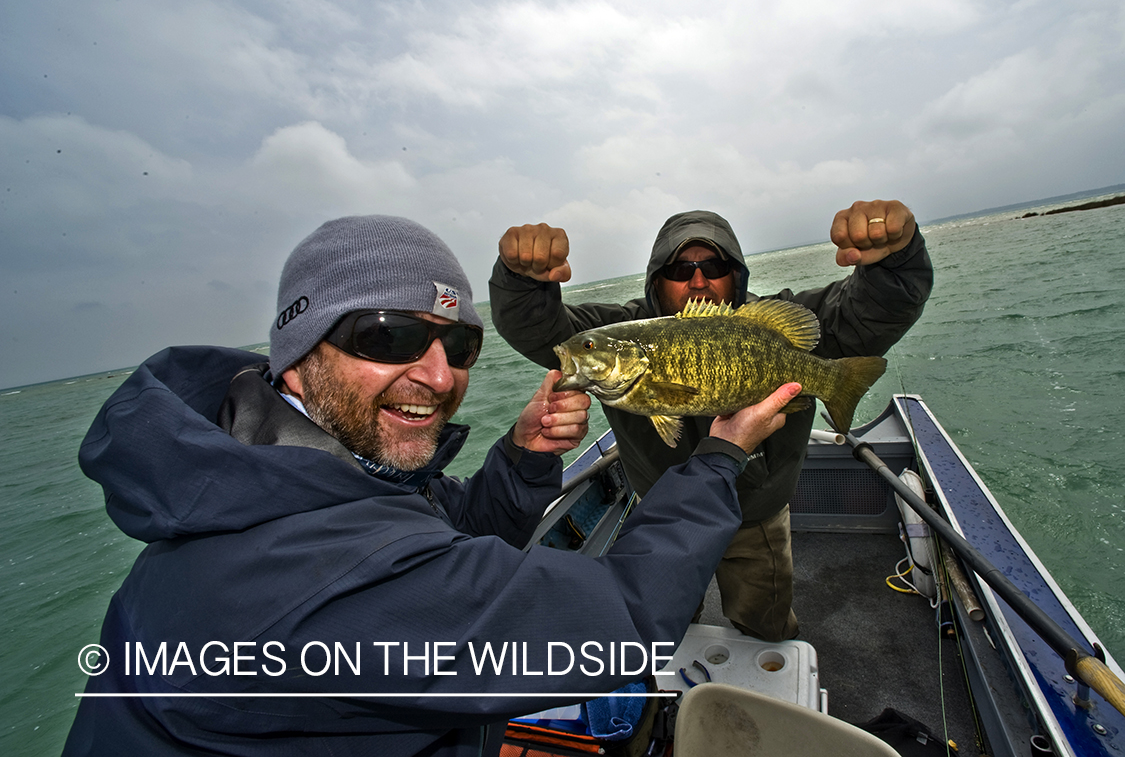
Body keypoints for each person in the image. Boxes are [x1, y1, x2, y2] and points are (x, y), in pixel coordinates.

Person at [64, 214, 801, 757]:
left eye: (458, 343)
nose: (440, 375)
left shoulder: (276, 482)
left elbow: (446, 530)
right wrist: (718, 454)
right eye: (387, 337)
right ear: (295, 352)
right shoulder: (312, 579)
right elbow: (620, 624)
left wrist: (520, 454)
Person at [489, 200, 933, 642]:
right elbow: (543, 330)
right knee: (666, 624)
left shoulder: (768, 323)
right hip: (663, 517)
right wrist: (522, 282)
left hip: (756, 514)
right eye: (679, 270)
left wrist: (894, 260)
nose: (698, 280)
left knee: (766, 619)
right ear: (656, 280)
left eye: (714, 265)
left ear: (736, 273)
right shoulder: (624, 331)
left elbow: (873, 309)